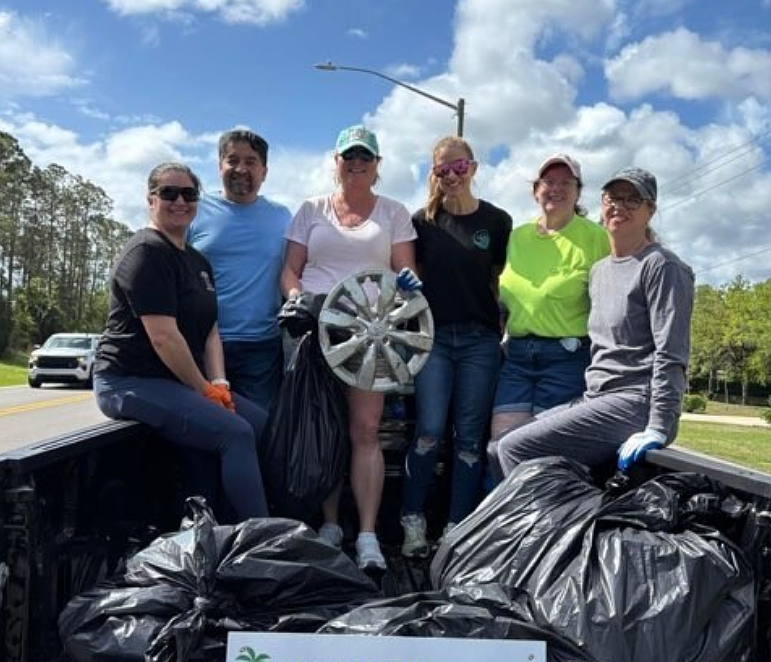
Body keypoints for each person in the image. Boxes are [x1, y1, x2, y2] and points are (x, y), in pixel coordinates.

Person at [93, 162, 269, 523]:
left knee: (262, 422)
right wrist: (204, 389)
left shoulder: (197, 261)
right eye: (168, 193)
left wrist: (219, 384)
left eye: (188, 194)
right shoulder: (145, 252)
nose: (179, 201)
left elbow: (210, 330)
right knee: (235, 433)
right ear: (150, 200)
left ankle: (217, 524)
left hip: (177, 383)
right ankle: (262, 538)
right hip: (129, 381)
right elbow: (164, 338)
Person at [280, 125, 417, 571]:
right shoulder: (310, 209)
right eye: (348, 156)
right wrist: (297, 299)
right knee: (323, 427)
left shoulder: (395, 212)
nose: (356, 163)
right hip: (315, 329)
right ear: (335, 161)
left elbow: (405, 272)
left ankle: (369, 536)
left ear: (377, 165)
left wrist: (411, 285)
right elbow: (290, 270)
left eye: (366, 157)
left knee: (364, 430)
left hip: (369, 332)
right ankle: (331, 524)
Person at [497, 166, 694, 476]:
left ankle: (547, 525)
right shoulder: (600, 269)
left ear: (651, 210)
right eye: (613, 197)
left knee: (515, 448)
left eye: (633, 200)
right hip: (596, 398)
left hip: (635, 402)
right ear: (602, 203)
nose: (619, 206)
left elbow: (671, 354)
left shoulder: (662, 266)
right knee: (499, 446)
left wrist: (659, 426)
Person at [400, 136, 512, 559]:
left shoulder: (498, 222)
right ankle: (412, 521)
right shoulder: (421, 222)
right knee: (428, 432)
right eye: (442, 170)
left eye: (458, 168)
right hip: (434, 339)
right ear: (434, 174)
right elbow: (409, 275)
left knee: (468, 439)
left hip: (481, 341)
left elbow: (505, 282)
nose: (451, 176)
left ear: (474, 168)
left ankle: (456, 528)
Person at [490, 154, 610, 472]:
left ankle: (544, 521)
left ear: (578, 191)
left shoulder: (596, 238)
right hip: (516, 357)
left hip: (566, 359)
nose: (555, 189)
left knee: (541, 454)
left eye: (565, 183)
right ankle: (507, 520)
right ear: (535, 190)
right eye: (548, 182)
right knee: (499, 448)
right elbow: (502, 295)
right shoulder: (518, 236)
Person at [188, 129, 292, 411]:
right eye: (232, 160)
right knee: (203, 431)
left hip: (260, 350)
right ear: (219, 165)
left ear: (264, 171)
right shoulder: (192, 211)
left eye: (251, 161)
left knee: (259, 430)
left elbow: (297, 271)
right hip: (200, 345)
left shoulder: (283, 218)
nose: (241, 169)